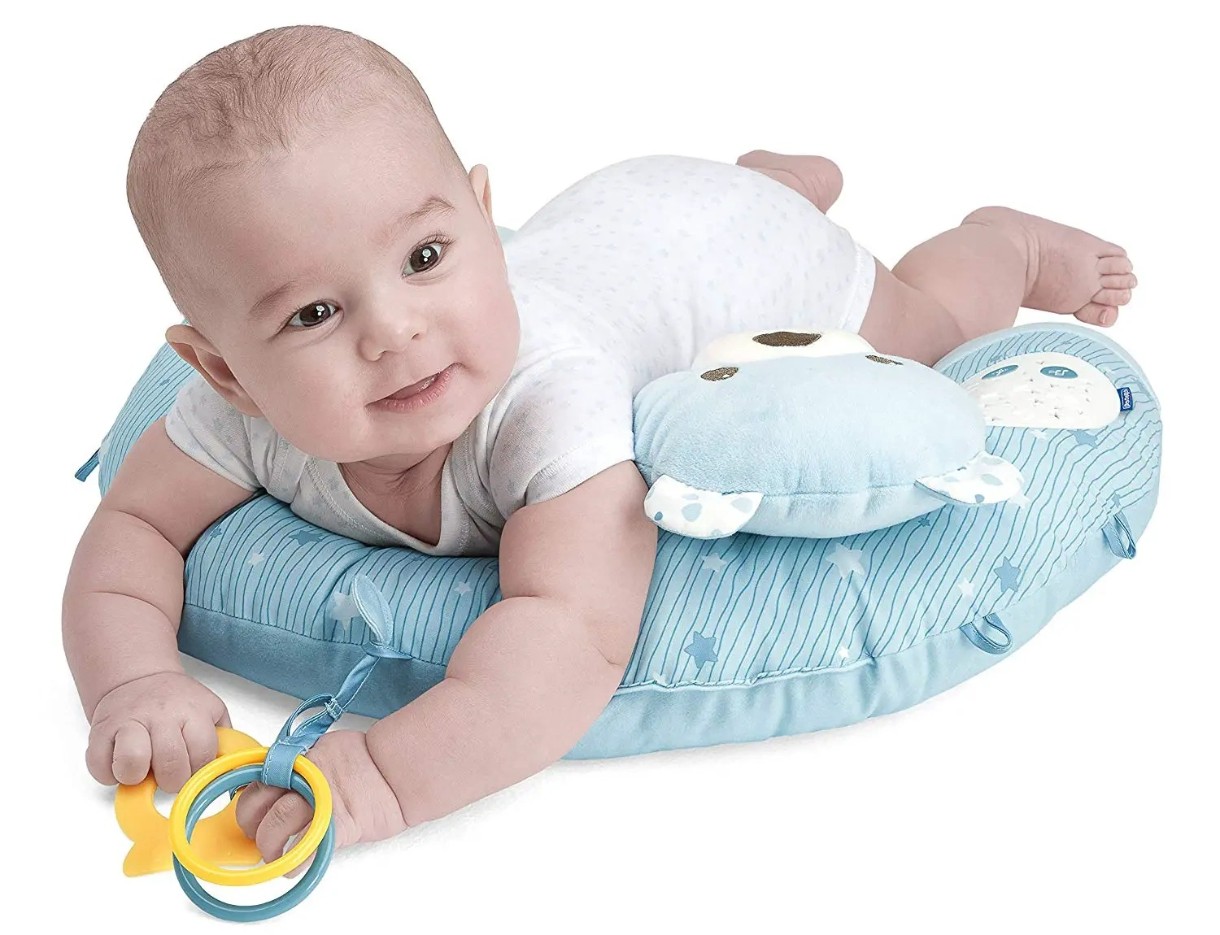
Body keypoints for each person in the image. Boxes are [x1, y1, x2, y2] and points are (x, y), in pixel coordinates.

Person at [61, 24, 1137, 864]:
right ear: (223, 370)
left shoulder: (549, 404)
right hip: (625, 229)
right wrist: (131, 681)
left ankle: (995, 241)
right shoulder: (239, 419)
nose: (394, 331)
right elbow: (133, 526)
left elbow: (569, 633)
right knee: (698, 221)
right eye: (312, 314)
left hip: (736, 253)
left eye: (426, 256)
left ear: (484, 218)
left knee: (931, 330)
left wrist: (386, 776)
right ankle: (771, 174)